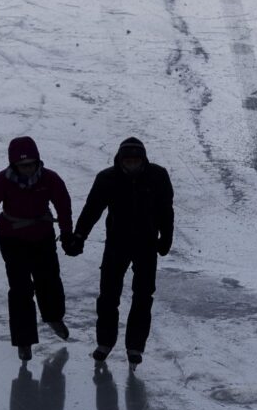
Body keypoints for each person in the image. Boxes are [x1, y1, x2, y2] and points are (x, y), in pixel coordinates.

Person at [0, 136, 74, 362]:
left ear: (38, 162)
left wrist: (67, 234)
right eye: (22, 166)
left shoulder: (50, 179)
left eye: (31, 164)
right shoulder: (2, 181)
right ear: (13, 165)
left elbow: (64, 207)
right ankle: (24, 340)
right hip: (12, 238)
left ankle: (53, 317)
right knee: (20, 289)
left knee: (48, 280)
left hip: (42, 236)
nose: (28, 170)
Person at [63, 137, 174, 368]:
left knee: (143, 296)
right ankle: (105, 342)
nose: (132, 165)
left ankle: (135, 346)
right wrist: (79, 236)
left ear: (143, 160)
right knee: (108, 296)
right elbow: (92, 208)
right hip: (116, 244)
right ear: (120, 160)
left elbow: (166, 209)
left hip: (146, 245)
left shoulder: (158, 176)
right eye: (128, 161)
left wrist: (166, 237)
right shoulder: (107, 179)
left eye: (136, 161)